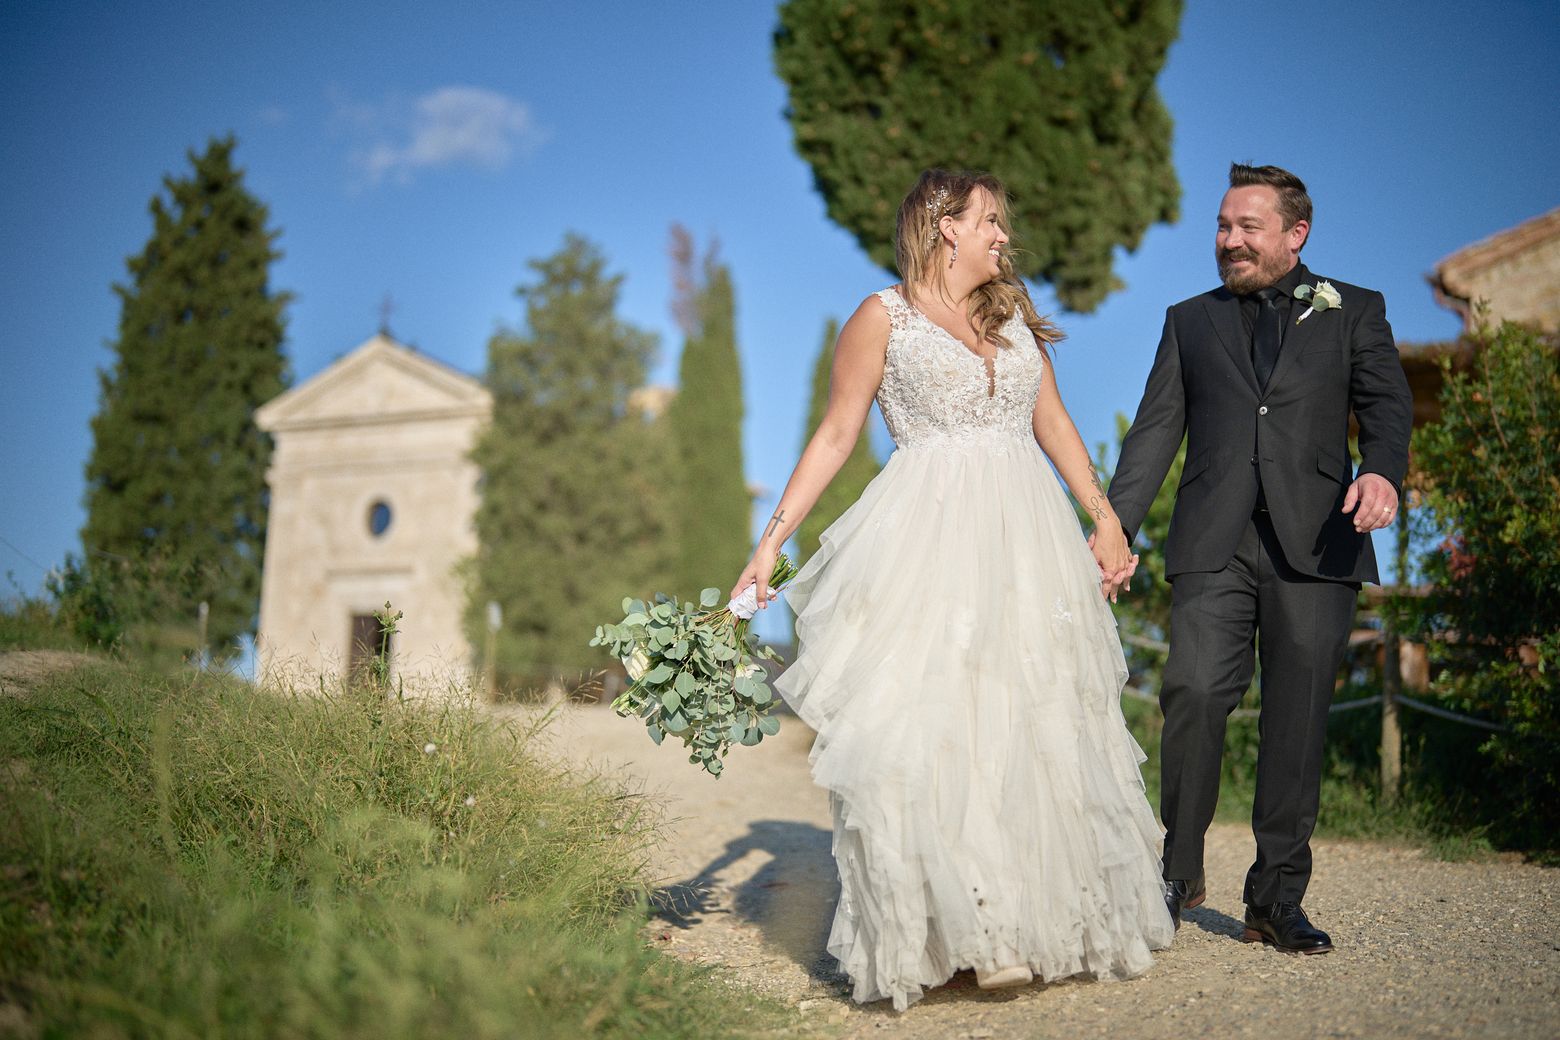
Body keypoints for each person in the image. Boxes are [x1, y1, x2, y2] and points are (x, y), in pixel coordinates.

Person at [731, 169, 1173, 1012]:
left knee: (1028, 719)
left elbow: (1056, 425)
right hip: (927, 538)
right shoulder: (881, 318)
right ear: (944, 227)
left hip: (1027, 540)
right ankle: (962, 927)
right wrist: (770, 542)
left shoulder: (1012, 322)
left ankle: (1021, 921)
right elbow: (833, 434)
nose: (1005, 236)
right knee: (934, 725)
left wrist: (1106, 519)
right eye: (992, 221)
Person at [1106, 164, 1412, 954]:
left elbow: (1385, 405)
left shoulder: (1354, 311)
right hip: (1213, 540)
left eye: (1247, 227)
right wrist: (1114, 530)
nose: (1229, 240)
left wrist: (1380, 468)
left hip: (1320, 541)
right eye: (1222, 226)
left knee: (1297, 720)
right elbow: (1153, 434)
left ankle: (1275, 899)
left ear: (1295, 234)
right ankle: (1178, 871)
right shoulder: (1188, 321)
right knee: (1194, 690)